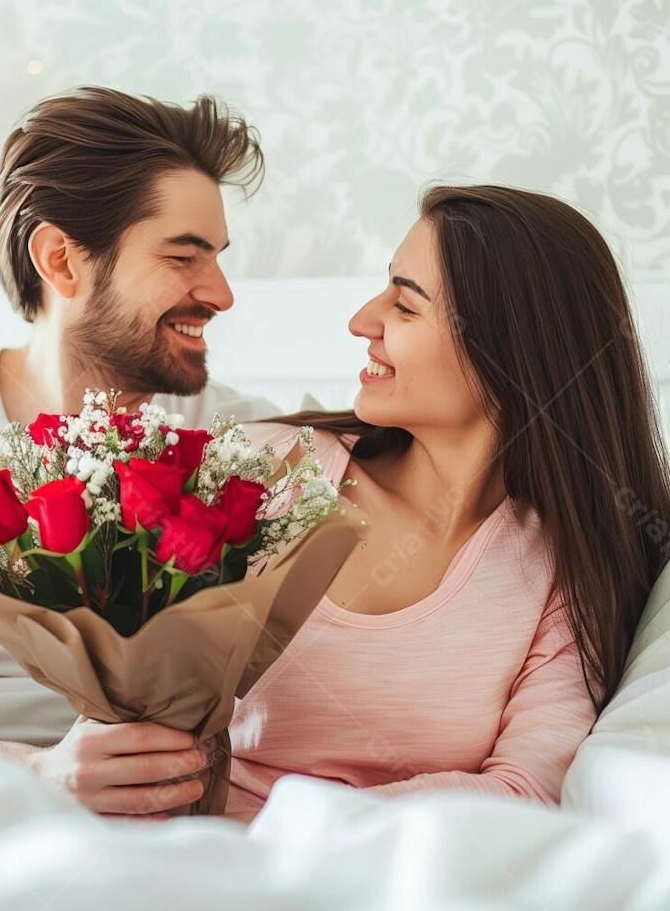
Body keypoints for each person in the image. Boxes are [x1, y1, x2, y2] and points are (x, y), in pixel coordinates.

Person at [0, 86, 280, 818]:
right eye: (185, 257)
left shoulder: (245, 444)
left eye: (217, 258)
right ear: (61, 261)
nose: (220, 293)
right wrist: (32, 773)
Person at [221, 184, 670, 820]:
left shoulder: (564, 572)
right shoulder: (264, 466)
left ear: (507, 354)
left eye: (404, 306)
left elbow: (527, 791)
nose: (361, 322)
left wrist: (303, 831)